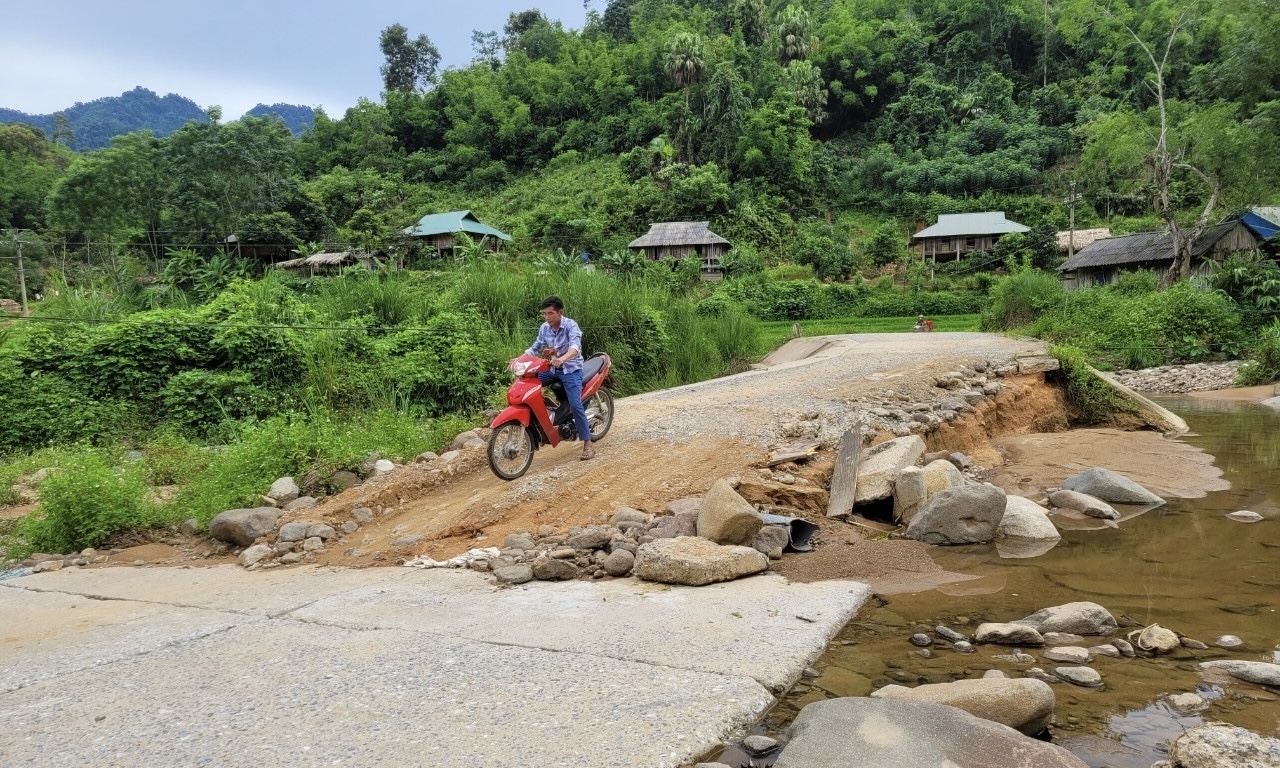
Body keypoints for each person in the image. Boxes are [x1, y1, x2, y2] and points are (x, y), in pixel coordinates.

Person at [525, 295, 594, 461]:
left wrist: (562, 359)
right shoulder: (544, 328)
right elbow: (536, 347)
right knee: (529, 382)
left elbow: (575, 348)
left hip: (571, 370)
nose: (547, 317)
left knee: (576, 405)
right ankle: (543, 418)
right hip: (552, 369)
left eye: (550, 314)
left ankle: (588, 444)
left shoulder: (571, 326)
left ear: (560, 313)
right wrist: (520, 359)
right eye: (545, 314)